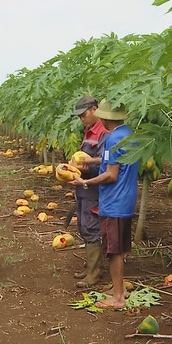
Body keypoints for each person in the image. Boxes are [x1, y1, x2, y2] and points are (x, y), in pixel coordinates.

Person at [69, 100, 139, 309]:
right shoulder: (128, 134)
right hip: (126, 199)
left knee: (113, 251)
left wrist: (84, 182)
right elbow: (114, 162)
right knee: (119, 248)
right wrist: (91, 162)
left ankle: (117, 298)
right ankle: (120, 288)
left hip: (113, 202)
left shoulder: (112, 139)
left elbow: (110, 174)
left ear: (105, 117)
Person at [69, 95, 109, 288]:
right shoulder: (88, 131)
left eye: (83, 115)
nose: (82, 119)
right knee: (84, 225)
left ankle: (94, 273)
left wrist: (85, 167)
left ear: (94, 109)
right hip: (84, 187)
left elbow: (106, 162)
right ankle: (90, 267)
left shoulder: (104, 133)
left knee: (92, 227)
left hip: (95, 188)